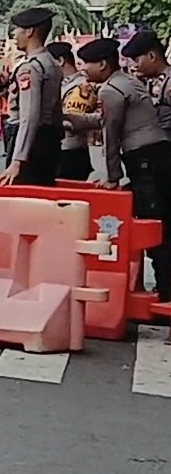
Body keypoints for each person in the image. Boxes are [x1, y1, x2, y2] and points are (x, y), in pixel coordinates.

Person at [76, 37, 171, 298]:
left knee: (155, 224)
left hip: (144, 159)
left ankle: (166, 293)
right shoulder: (128, 82)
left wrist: (112, 176)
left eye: (87, 64)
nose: (83, 69)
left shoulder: (110, 90)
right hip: (160, 154)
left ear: (103, 64)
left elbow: (111, 135)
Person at [0, 7, 62, 186]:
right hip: (49, 138)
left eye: (17, 29)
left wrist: (18, 159)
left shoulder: (30, 67)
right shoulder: (52, 63)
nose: (14, 34)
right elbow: (56, 109)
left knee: (24, 200)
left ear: (29, 31)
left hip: (31, 142)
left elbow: (29, 116)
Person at [51, 41, 97, 182]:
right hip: (60, 150)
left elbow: (72, 121)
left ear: (60, 61)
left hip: (70, 153)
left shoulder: (81, 87)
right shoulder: (62, 83)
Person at [122, 30, 171, 134]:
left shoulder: (169, 82)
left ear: (151, 56)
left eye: (136, 60)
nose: (134, 66)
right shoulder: (150, 82)